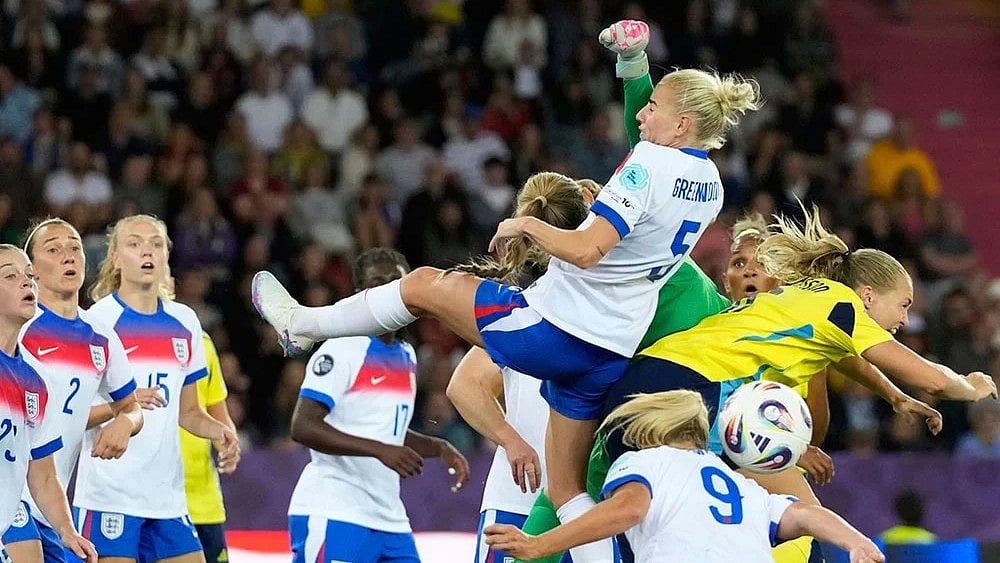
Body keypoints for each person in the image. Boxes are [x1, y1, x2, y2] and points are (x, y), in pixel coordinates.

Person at [253, 20, 761, 561]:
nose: (641, 114)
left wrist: (527, 225)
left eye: (652, 106)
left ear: (681, 123)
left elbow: (587, 249)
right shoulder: (711, 184)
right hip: (611, 347)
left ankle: (302, 324)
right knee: (566, 491)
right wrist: (633, 68)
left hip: (559, 329)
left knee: (423, 285)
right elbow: (651, 163)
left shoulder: (647, 165)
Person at [483, 390, 886, 563]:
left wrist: (540, 543)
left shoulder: (645, 461)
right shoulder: (742, 486)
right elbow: (806, 515)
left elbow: (628, 510)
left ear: (646, 433)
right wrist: (857, 541)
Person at [72, 215, 240, 563]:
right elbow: (68, 414)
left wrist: (219, 431)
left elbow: (188, 412)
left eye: (156, 244)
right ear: (116, 258)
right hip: (109, 495)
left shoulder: (185, 321)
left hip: (167, 498)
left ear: (166, 256)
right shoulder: (96, 323)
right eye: (134, 244)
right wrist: (123, 408)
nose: (146, 251)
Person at [287, 248, 470, 563]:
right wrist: (380, 450)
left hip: (389, 518)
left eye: (395, 282)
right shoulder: (343, 346)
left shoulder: (407, 354)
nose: (387, 290)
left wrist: (438, 447)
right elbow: (303, 427)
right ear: (360, 293)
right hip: (335, 510)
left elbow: (386, 431)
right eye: (376, 283)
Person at [2, 219, 143, 563]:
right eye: (53, 249)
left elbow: (128, 407)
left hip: (49, 499)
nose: (68, 256)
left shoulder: (98, 337)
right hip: (16, 499)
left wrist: (124, 421)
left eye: (75, 247)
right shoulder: (22, 327)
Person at [0, 243, 98, 563]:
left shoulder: (36, 380)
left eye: (29, 275)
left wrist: (67, 530)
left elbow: (42, 474)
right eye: (10, 276)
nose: (26, 282)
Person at [169, 269, 240, 563]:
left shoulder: (201, 342)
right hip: (152, 498)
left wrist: (228, 444)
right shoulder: (119, 336)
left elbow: (217, 411)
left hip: (204, 501)